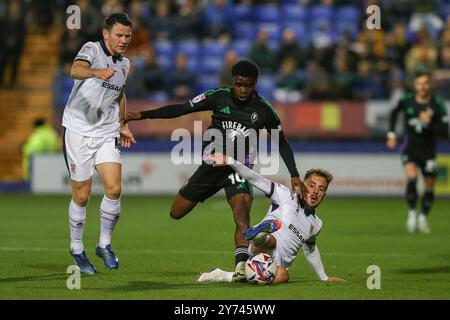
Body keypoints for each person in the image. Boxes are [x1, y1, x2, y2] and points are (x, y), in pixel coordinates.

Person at [124, 60, 306, 281]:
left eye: (247, 85)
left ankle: (241, 267)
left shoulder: (264, 110)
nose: (242, 89)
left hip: (237, 169)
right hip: (211, 168)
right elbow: (181, 109)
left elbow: (282, 143)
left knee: (242, 216)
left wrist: (294, 174)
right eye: (238, 84)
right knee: (176, 212)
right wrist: (142, 115)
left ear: (255, 84)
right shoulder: (218, 96)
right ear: (233, 81)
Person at [197, 153, 344, 284]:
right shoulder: (285, 195)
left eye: (321, 189)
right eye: (312, 185)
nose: (315, 192)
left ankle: (223, 275)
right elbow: (256, 179)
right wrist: (229, 160)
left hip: (272, 267)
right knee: (271, 241)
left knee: (283, 276)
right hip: (259, 250)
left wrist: (324, 277)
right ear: (302, 185)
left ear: (324, 195)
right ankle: (258, 235)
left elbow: (311, 250)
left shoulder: (316, 224)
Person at [62, 13, 136, 274]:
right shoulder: (91, 49)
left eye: (128, 36)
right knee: (81, 195)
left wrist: (123, 123)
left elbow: (121, 94)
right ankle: (76, 248)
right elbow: (75, 70)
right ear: (106, 34)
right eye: (119, 35)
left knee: (114, 188)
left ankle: (104, 244)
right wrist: (95, 72)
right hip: (78, 131)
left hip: (106, 131)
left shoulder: (125, 64)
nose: (124, 40)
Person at [387, 70, 449, 234]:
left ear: (430, 85)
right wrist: (392, 134)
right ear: (415, 85)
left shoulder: (437, 104)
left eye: (425, 83)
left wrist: (430, 123)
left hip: (428, 150)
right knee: (412, 177)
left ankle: (423, 217)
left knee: (429, 186)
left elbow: (444, 131)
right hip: (410, 147)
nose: (422, 86)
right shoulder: (407, 100)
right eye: (419, 83)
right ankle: (412, 213)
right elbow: (394, 113)